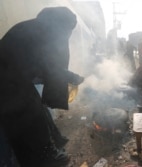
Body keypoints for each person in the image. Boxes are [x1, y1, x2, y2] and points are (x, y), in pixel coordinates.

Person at [0, 7, 84, 167]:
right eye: (68, 29)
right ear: (62, 24)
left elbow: (38, 67)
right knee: (32, 117)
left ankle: (35, 156)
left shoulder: (33, 27)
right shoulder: (46, 34)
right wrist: (73, 77)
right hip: (9, 83)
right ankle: (47, 157)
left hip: (11, 81)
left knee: (22, 120)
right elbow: (52, 69)